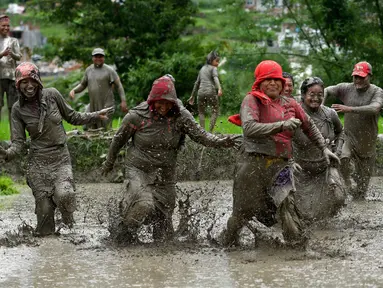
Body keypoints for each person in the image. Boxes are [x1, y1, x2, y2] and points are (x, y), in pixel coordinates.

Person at [102, 75, 238, 243]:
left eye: (168, 103)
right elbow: (118, 140)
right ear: (152, 101)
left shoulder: (181, 116)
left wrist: (220, 142)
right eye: (160, 103)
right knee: (144, 204)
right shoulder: (136, 116)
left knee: (165, 214)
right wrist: (109, 162)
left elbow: (200, 135)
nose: (164, 107)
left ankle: (163, 253)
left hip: (165, 171)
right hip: (138, 168)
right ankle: (123, 236)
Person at [224, 60, 339, 247]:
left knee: (288, 206)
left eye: (276, 80)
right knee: (241, 214)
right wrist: (282, 125)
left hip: (281, 165)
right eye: (267, 79)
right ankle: (228, 244)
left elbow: (309, 125)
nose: (273, 83)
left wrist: (324, 148)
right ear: (259, 82)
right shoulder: (251, 100)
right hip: (252, 165)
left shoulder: (290, 103)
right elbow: (249, 127)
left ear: (282, 83)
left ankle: (296, 248)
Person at [0, 62, 113, 236]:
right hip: (37, 164)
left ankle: (69, 225)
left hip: (60, 158)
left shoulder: (52, 95)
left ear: (38, 81)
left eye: (32, 81)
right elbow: (19, 143)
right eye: (24, 82)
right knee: (45, 216)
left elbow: (73, 116)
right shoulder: (17, 110)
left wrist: (95, 116)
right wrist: (7, 155)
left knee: (65, 195)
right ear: (18, 84)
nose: (29, 85)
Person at [323, 61, 383, 200]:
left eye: (362, 77)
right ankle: (347, 182)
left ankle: (358, 193)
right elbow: (325, 90)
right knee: (342, 157)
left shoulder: (377, 91)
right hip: (348, 136)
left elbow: (375, 108)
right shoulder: (346, 88)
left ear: (370, 76)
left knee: (360, 194)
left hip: (367, 142)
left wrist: (349, 109)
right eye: (356, 76)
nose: (358, 80)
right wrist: (321, 107)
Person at [293, 77, 346, 222]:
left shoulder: (330, 114)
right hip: (301, 171)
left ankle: (326, 224)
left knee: (338, 197)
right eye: (311, 94)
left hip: (325, 168)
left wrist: (337, 152)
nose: (316, 98)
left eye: (320, 95)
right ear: (303, 95)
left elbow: (341, 132)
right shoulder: (294, 115)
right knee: (305, 214)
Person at [69, 48, 127, 130]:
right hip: (93, 105)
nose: (98, 59)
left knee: (105, 128)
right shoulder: (89, 70)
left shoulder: (109, 70)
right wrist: (74, 90)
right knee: (89, 127)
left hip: (107, 104)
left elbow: (119, 86)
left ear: (104, 58)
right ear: (93, 58)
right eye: (96, 56)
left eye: (101, 56)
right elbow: (82, 85)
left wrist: (123, 101)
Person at [188, 51, 222, 132]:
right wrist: (219, 88)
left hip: (200, 92)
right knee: (215, 110)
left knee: (201, 112)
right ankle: (210, 132)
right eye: (216, 61)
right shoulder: (213, 68)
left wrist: (192, 95)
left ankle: (202, 132)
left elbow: (196, 83)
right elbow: (215, 78)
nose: (218, 63)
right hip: (210, 91)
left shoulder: (202, 69)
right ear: (211, 60)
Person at [0, 15, 22, 136]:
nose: (6, 28)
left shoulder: (14, 41)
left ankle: (15, 138)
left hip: (11, 78)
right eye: (3, 25)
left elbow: (19, 56)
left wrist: (12, 53)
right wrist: (2, 54)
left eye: (8, 26)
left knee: (13, 108)